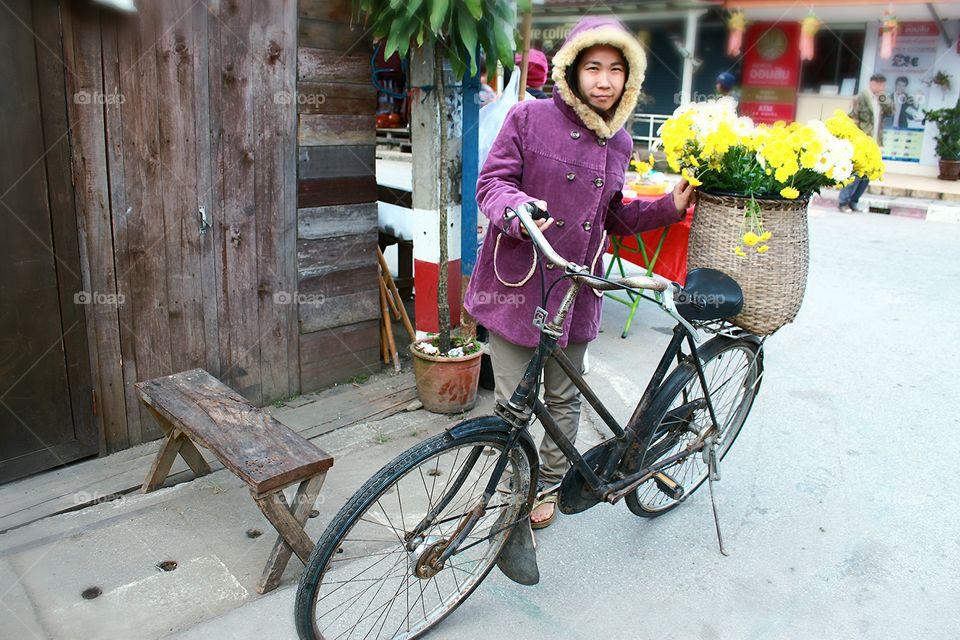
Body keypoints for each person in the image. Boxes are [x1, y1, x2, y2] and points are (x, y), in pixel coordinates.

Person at [464, 16, 695, 529]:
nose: (604, 81)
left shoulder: (621, 143)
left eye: (616, 70)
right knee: (512, 401)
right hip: (518, 286)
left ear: (629, 79)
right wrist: (519, 211)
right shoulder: (528, 117)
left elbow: (612, 218)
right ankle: (513, 486)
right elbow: (492, 183)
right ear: (572, 70)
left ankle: (546, 482)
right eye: (593, 67)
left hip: (577, 291)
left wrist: (666, 207)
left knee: (563, 397)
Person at [839, 73, 892, 212]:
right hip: (860, 142)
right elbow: (851, 119)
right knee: (856, 172)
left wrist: (883, 97)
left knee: (867, 174)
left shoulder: (881, 99)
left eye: (883, 85)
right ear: (872, 83)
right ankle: (843, 201)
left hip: (874, 142)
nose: (881, 87)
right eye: (878, 84)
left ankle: (854, 201)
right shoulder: (860, 98)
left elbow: (891, 111)